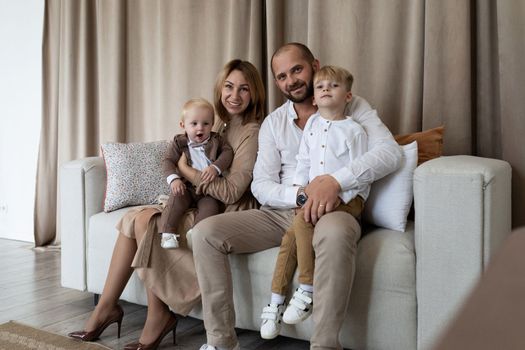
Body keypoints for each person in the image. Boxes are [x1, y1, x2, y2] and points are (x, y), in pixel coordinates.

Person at [191, 42, 402, 350]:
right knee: (205, 233)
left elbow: (389, 153)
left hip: (334, 210)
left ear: (315, 65)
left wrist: (333, 181)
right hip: (280, 211)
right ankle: (221, 343)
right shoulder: (274, 122)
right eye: (281, 76)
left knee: (335, 233)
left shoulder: (351, 105)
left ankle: (325, 345)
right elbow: (261, 184)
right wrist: (302, 194)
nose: (290, 81)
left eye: (297, 70)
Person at [67, 59, 265, 350]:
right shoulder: (219, 125)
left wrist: (186, 173)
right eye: (229, 87)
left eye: (244, 89)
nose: (235, 95)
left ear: (254, 94)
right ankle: (107, 307)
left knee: (148, 222)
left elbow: (233, 191)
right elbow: (179, 155)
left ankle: (156, 316)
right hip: (201, 199)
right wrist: (181, 174)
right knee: (135, 219)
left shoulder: (252, 131)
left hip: (226, 210)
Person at [260, 65, 369, 339]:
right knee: (290, 237)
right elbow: (304, 162)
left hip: (348, 199)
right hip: (312, 197)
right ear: (314, 97)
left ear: (347, 96)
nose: (325, 91)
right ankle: (275, 302)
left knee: (305, 223)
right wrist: (302, 192)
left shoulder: (355, 130)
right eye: (320, 87)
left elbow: (362, 174)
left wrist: (337, 197)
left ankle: (307, 288)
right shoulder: (312, 125)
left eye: (333, 87)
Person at [159, 97, 233, 249]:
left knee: (211, 208)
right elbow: (168, 161)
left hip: (208, 190)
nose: (200, 128)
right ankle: (167, 233)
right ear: (183, 125)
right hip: (186, 188)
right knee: (175, 200)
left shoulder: (216, 140)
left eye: (206, 124)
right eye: (194, 124)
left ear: (212, 124)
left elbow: (228, 153)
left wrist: (215, 168)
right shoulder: (179, 143)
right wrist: (174, 180)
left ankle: (196, 233)